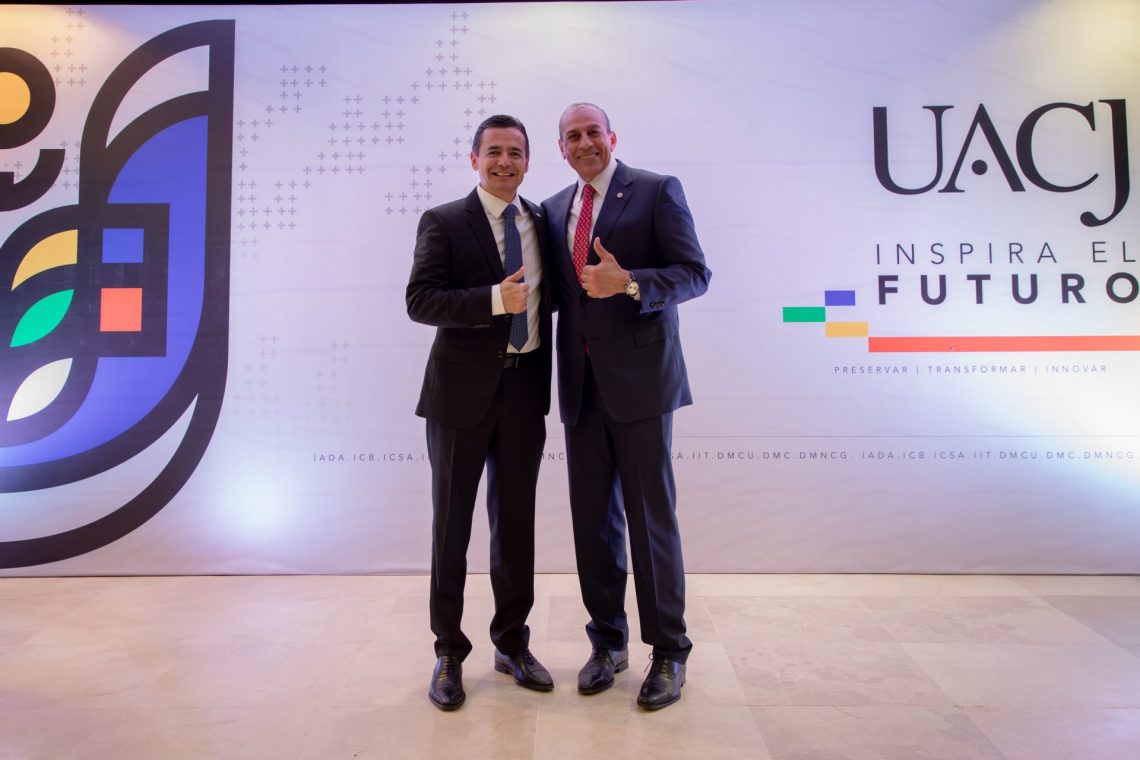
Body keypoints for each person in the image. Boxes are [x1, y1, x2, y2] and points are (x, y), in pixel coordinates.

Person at [541, 102, 711, 711]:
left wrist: (631, 281)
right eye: (573, 136)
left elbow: (695, 273)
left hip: (642, 384)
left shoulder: (657, 190)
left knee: (649, 519)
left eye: (593, 132)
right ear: (561, 148)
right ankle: (608, 643)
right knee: (593, 523)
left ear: (611, 137)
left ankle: (669, 651)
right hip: (580, 386)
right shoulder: (553, 209)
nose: (584, 142)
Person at [407, 114, 554, 711]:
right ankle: (448, 650)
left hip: (525, 392)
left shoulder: (542, 221)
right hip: (459, 397)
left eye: (515, 152)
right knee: (452, 527)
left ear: (527, 161)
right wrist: (495, 300)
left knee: (515, 525)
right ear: (474, 159)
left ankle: (512, 643)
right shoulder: (443, 220)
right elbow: (420, 300)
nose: (504, 162)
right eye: (493, 151)